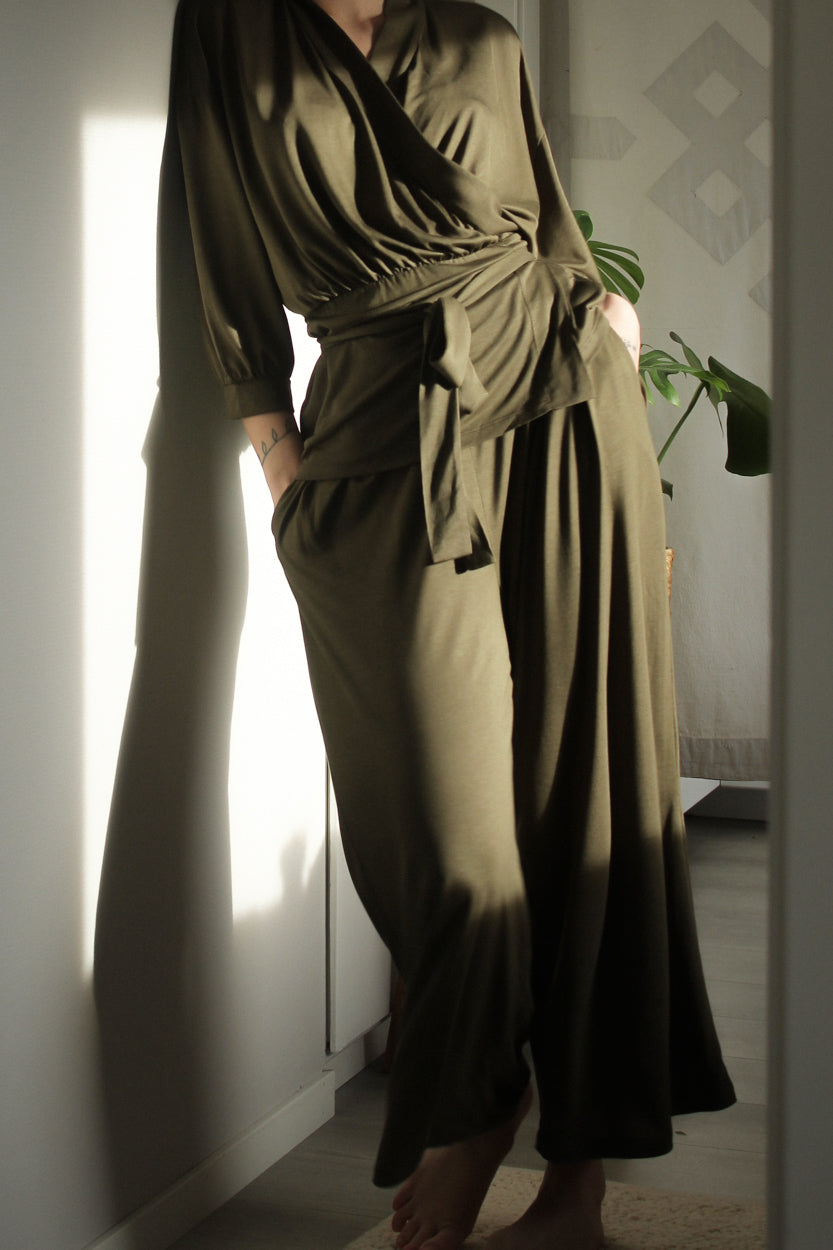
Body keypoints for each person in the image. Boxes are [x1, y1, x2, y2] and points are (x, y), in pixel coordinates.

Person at [167, 0, 736, 1245]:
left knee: (585, 796)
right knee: (443, 825)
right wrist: (281, 467)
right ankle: (479, 1097)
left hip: (564, 404)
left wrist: (607, 324)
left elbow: (546, 218)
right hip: (382, 427)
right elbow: (213, 250)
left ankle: (576, 1186)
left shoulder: (478, 33)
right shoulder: (228, 29)